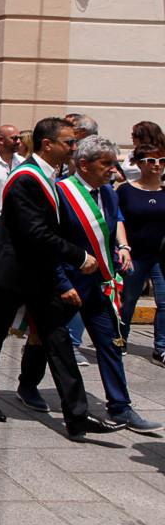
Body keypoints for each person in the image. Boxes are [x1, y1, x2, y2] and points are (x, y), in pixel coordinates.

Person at [0, 118, 125, 440]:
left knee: (58, 342)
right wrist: (79, 256)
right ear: (48, 145)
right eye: (69, 143)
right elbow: (35, 232)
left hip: (40, 276)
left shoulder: (50, 174)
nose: (74, 147)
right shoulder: (27, 177)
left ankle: (77, 416)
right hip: (11, 274)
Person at [10, 136, 161, 434]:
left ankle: (120, 406)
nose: (113, 169)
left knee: (110, 343)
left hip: (99, 283)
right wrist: (63, 282)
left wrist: (121, 250)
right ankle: (27, 385)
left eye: (115, 163)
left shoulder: (109, 193)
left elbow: (111, 225)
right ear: (83, 164)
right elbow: (49, 242)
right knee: (45, 338)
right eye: (106, 163)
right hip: (66, 284)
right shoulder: (61, 193)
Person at [117, 137, 165, 365]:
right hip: (135, 255)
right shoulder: (126, 191)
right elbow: (118, 221)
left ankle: (161, 348)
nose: (157, 164)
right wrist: (122, 247)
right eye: (151, 160)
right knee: (128, 301)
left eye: (162, 160)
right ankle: (120, 339)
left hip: (161, 257)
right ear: (139, 163)